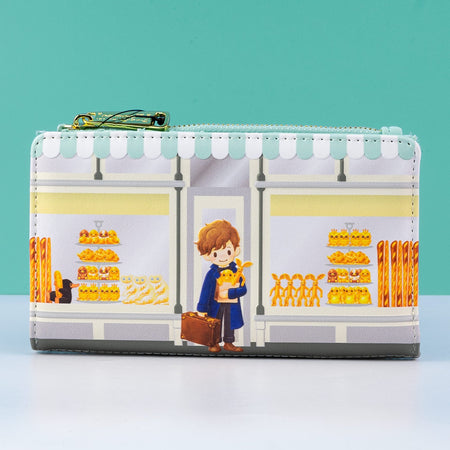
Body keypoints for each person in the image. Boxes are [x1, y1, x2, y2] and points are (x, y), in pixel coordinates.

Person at [195, 220, 247, 353]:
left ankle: (229, 342)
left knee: (230, 322)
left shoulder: (237, 272)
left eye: (228, 251)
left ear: (236, 250)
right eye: (216, 253)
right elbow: (205, 292)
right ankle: (214, 342)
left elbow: (243, 289)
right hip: (214, 304)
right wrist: (201, 308)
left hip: (231, 304)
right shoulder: (211, 274)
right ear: (207, 255)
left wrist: (230, 293)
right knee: (215, 322)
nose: (223, 257)